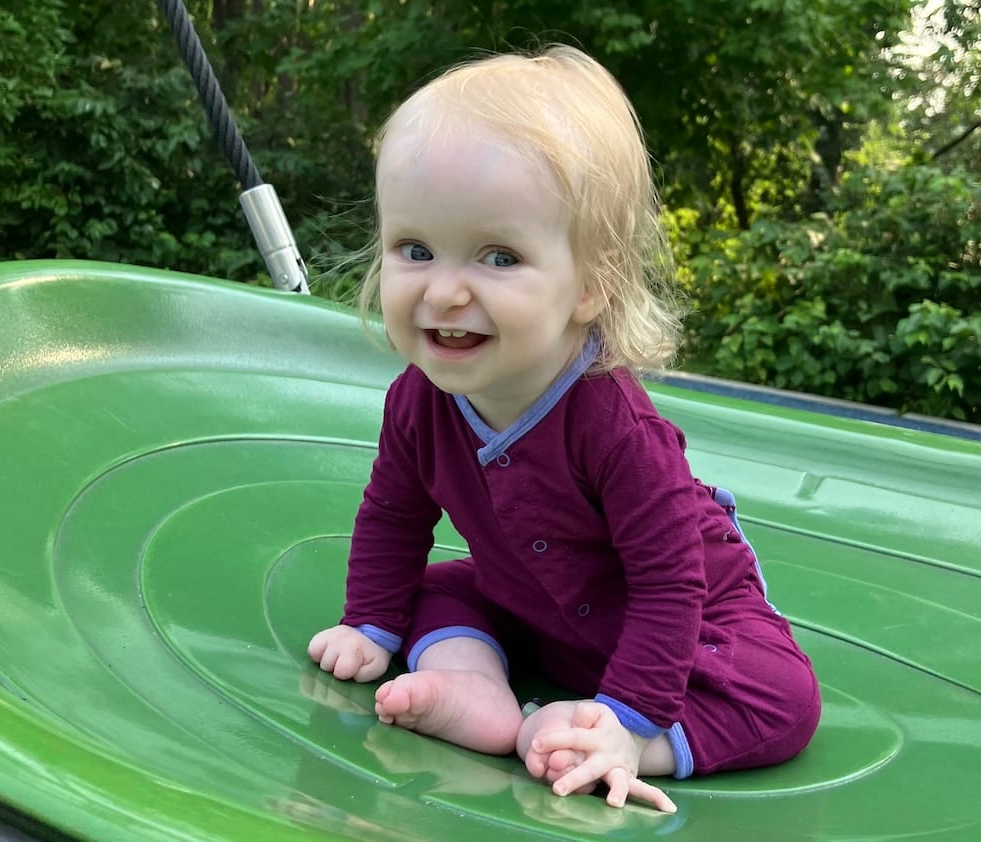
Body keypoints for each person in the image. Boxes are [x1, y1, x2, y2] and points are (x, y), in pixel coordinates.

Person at [308, 44, 820, 813]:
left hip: (684, 620)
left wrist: (625, 720)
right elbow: (394, 515)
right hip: (537, 605)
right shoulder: (418, 400)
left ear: (591, 286)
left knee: (785, 698)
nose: (444, 291)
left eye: (499, 257)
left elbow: (669, 585)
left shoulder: (614, 425)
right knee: (432, 590)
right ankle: (476, 690)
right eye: (415, 250)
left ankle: (624, 741)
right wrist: (371, 622)